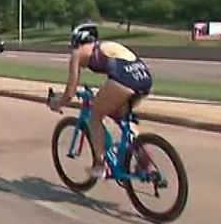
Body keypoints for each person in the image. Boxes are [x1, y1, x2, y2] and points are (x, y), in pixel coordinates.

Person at [48, 23, 153, 178]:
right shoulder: (105, 46)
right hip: (144, 79)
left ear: (76, 42)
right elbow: (118, 67)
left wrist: (58, 103)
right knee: (124, 119)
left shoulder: (78, 53)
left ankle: (100, 164)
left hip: (124, 79)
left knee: (95, 116)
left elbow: (69, 92)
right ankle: (145, 159)